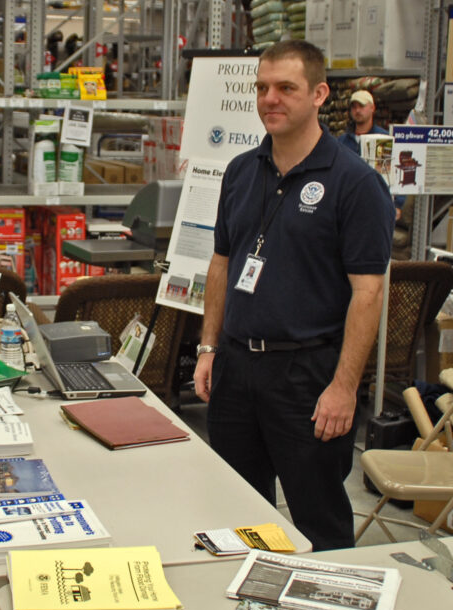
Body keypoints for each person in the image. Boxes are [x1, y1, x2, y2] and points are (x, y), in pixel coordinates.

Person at [192, 40, 394, 551]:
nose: (270, 99)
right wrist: (209, 347)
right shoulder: (241, 171)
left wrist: (345, 387)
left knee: (318, 520)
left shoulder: (355, 184)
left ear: (319, 94)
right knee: (238, 516)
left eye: (286, 88)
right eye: (262, 87)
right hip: (236, 370)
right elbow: (221, 263)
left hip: (308, 378)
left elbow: (367, 293)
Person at [336, 89, 388, 154]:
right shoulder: (342, 141)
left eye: (361, 106)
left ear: (372, 108)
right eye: (354, 107)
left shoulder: (384, 138)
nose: (357, 110)